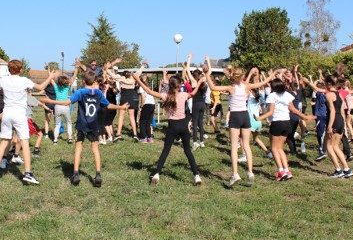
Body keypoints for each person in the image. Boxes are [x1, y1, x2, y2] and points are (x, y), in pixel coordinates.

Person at [42, 71, 128, 187]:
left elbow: (67, 102)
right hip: (94, 125)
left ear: (83, 81)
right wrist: (120, 107)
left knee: (78, 148)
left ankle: (76, 174)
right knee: (95, 149)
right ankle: (98, 174)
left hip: (82, 124)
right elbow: (108, 105)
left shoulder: (80, 92)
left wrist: (51, 101)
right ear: (94, 81)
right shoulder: (98, 93)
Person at [205, 56, 277, 186]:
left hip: (235, 116)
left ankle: (235, 174)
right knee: (247, 145)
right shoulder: (247, 86)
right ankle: (250, 172)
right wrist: (272, 75)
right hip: (245, 116)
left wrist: (207, 74)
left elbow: (213, 87)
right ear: (242, 76)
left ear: (233, 76)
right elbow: (262, 83)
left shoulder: (230, 88)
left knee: (234, 146)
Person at [133, 72, 205, 186]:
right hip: (183, 126)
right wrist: (200, 81)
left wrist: (138, 79)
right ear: (179, 85)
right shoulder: (184, 94)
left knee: (165, 151)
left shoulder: (165, 95)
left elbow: (148, 91)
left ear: (170, 85)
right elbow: (194, 92)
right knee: (188, 151)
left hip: (172, 127)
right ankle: (196, 176)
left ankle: (156, 174)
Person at [0, 60, 55, 185]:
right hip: (20, 114)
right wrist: (50, 77)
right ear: (20, 70)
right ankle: (28, 173)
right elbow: (41, 87)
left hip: (7, 113)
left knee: (4, 141)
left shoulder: (3, 80)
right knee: (25, 142)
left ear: (9, 70)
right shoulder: (24, 80)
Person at [256, 78, 315, 181]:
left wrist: (259, 118)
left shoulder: (272, 96)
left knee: (274, 148)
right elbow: (293, 110)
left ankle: (281, 171)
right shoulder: (287, 95)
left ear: (273, 87)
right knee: (280, 148)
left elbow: (270, 112)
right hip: (287, 123)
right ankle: (287, 170)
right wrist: (305, 117)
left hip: (277, 123)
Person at [105, 58, 141, 141]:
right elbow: (139, 72)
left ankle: (118, 134)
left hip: (124, 98)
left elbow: (109, 72)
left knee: (121, 116)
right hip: (132, 98)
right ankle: (135, 134)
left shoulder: (121, 79)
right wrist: (143, 65)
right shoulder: (133, 79)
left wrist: (111, 65)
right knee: (132, 117)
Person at [51, 65, 78, 144]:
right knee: (69, 123)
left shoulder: (56, 87)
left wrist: (50, 73)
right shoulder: (67, 87)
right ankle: (70, 138)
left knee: (57, 124)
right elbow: (73, 77)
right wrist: (76, 69)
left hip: (57, 107)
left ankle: (55, 140)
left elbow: (51, 80)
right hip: (65, 106)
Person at [138, 74, 156, 143]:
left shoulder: (141, 87)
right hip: (152, 104)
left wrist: (141, 106)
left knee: (142, 122)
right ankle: (149, 138)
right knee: (148, 122)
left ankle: (143, 138)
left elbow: (143, 97)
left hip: (146, 104)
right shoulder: (148, 86)